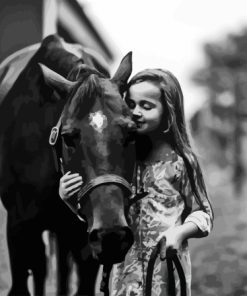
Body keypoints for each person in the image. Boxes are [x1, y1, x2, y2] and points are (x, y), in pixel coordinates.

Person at [59, 68, 214, 296]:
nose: (136, 112)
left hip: (165, 270)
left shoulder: (181, 161)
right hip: (126, 274)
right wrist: (69, 200)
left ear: (169, 112)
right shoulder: (124, 160)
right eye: (130, 104)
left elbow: (204, 213)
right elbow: (104, 214)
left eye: (147, 106)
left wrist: (179, 233)